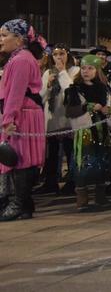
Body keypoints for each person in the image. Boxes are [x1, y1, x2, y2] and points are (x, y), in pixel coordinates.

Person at [0, 19, 46, 222]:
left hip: (23, 114)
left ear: (18, 40)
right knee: (20, 160)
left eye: (4, 35)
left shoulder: (21, 60)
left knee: (21, 160)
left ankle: (18, 204)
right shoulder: (19, 58)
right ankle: (25, 205)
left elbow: (16, 94)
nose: (0, 40)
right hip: (24, 112)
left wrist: (8, 119)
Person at [64, 54, 111, 211]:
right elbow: (69, 111)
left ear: (97, 70)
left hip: (102, 132)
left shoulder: (106, 89)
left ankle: (101, 196)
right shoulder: (73, 90)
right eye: (84, 68)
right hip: (84, 132)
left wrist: (110, 109)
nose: (86, 71)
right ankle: (82, 198)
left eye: (90, 68)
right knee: (83, 165)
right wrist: (86, 107)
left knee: (103, 163)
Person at [37, 44, 79, 195]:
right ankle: (50, 182)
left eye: (62, 54)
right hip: (52, 119)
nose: (59, 57)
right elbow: (40, 97)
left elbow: (71, 90)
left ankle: (72, 182)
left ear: (68, 55)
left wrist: (62, 72)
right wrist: (48, 86)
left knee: (70, 152)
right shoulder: (48, 72)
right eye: (55, 55)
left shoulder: (75, 71)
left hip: (68, 120)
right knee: (52, 154)